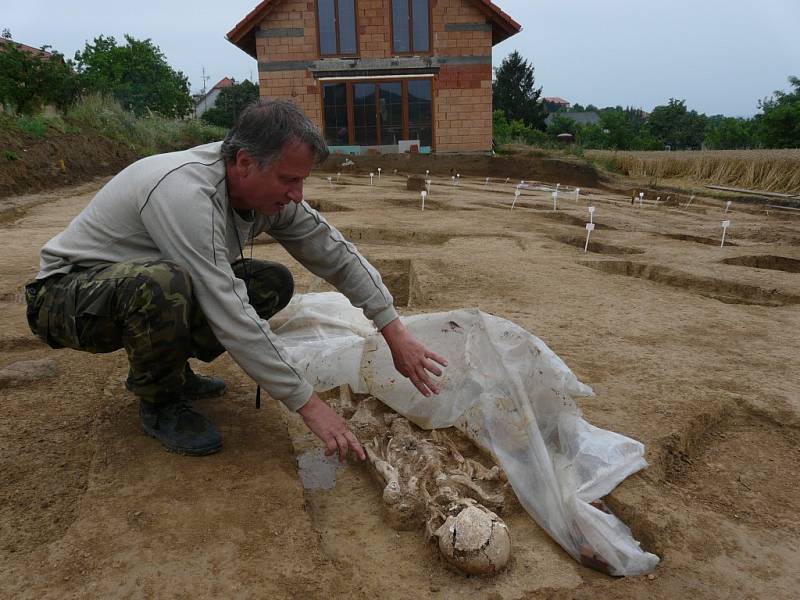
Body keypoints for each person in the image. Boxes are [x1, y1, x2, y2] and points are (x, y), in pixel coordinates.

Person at [25, 99, 447, 459]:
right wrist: (309, 405)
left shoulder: (269, 195)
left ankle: (174, 371)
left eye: (302, 179)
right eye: (289, 179)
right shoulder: (186, 194)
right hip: (66, 297)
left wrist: (393, 329)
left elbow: (332, 251)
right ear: (244, 163)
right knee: (163, 284)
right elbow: (229, 308)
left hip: (136, 286)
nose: (297, 194)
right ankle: (160, 402)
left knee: (271, 282)